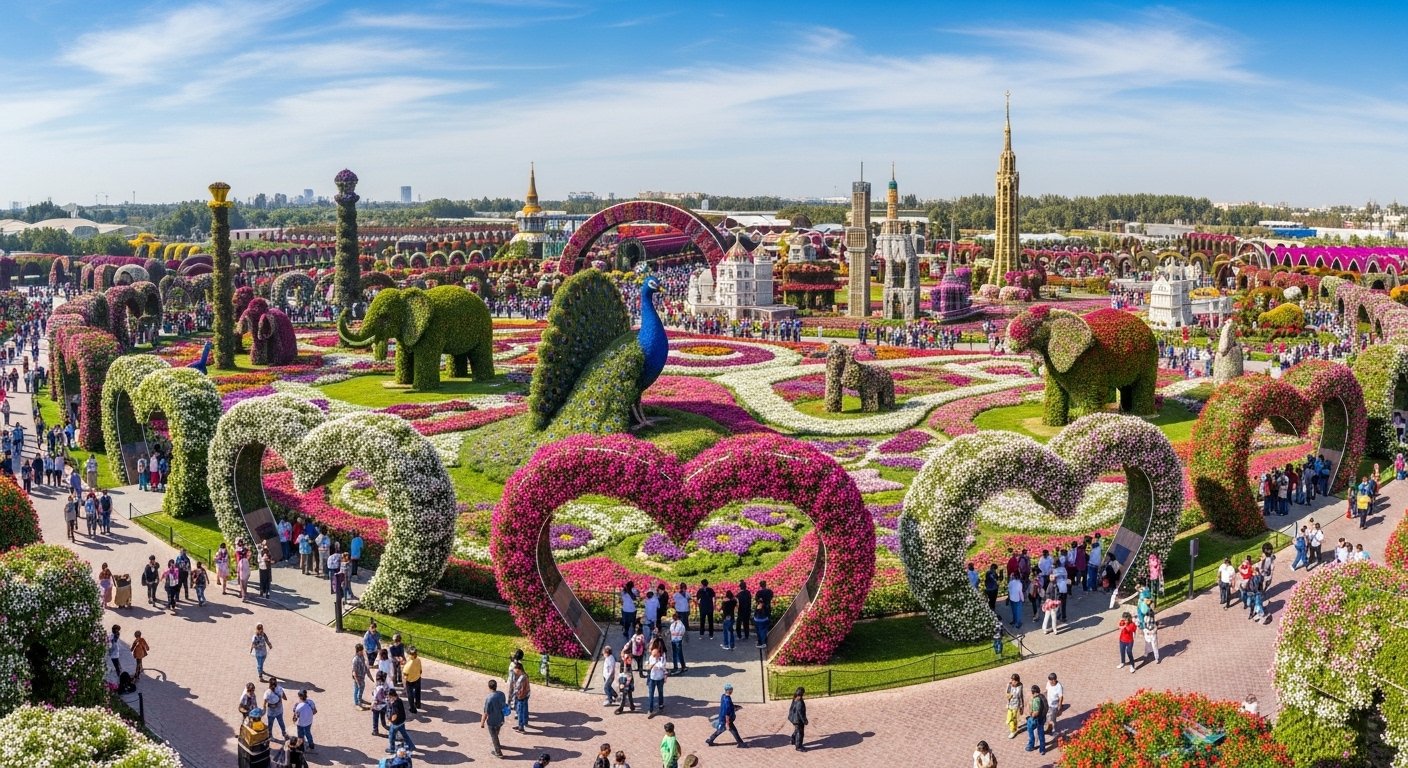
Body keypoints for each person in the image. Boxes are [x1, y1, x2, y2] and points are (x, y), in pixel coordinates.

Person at [705, 682, 744, 747]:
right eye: (731, 690)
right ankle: (741, 744)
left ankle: (710, 740)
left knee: (721, 730)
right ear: (729, 690)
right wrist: (727, 723)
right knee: (733, 730)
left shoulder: (723, 696)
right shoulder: (727, 700)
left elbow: (727, 707)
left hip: (722, 718)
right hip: (726, 719)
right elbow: (727, 712)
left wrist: (734, 707)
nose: (732, 691)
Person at [481, 679, 507, 758]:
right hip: (501, 719)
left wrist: (482, 722)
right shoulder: (501, 694)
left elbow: (486, 712)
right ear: (496, 686)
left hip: (492, 721)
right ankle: (498, 744)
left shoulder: (489, 698)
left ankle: (498, 752)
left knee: (494, 736)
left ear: (489, 687)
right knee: (496, 733)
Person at [385, 688, 415, 754]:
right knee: (404, 735)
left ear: (392, 696)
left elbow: (394, 715)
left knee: (391, 736)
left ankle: (392, 749)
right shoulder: (399, 700)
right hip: (402, 721)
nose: (388, 698)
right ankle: (411, 746)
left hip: (396, 723)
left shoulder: (395, 704)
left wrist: (390, 720)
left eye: (389, 696)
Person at [1026, 683, 1048, 755]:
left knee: (1030, 730)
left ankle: (1031, 745)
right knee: (1041, 734)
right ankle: (1042, 749)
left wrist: (1030, 710)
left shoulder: (1036, 700)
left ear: (1033, 692)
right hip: (1042, 718)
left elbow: (1035, 713)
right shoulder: (1042, 696)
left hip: (1036, 719)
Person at [510, 660, 531, 733]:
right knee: (524, 709)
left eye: (515, 670)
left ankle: (521, 727)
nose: (514, 672)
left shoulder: (522, 678)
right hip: (525, 695)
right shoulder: (524, 675)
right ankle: (524, 722)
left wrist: (516, 696)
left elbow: (520, 689)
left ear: (518, 669)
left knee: (520, 711)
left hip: (521, 697)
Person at [646, 645, 667, 716]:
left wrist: (658, 665)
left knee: (660, 692)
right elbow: (648, 667)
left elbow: (662, 666)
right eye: (653, 654)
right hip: (652, 678)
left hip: (660, 678)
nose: (653, 656)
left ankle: (661, 706)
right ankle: (650, 710)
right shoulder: (651, 658)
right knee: (651, 694)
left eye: (655, 654)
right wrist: (654, 663)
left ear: (658, 653)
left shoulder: (662, 658)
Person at [788, 687, 808, 751]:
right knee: (800, 732)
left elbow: (791, 709)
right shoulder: (800, 701)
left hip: (793, 718)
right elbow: (801, 713)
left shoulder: (795, 698)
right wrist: (804, 721)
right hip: (798, 720)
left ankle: (793, 740)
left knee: (797, 730)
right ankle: (798, 746)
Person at [1004, 673, 1024, 738]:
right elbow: (1007, 693)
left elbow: (1021, 697)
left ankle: (1013, 731)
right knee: (1009, 718)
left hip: (1016, 705)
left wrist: (1021, 707)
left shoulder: (1020, 686)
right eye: (1012, 680)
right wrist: (1008, 696)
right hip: (1010, 704)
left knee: (1013, 718)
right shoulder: (1009, 685)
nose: (1013, 682)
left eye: (1015, 681)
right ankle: (1013, 726)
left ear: (1018, 681)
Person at [404, 646, 423, 713]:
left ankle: (412, 708)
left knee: (410, 695)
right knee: (418, 692)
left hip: (410, 681)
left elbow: (405, 676)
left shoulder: (408, 665)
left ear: (410, 654)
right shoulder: (418, 660)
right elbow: (420, 671)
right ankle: (418, 704)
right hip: (418, 679)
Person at [371, 671, 390, 736]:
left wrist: (372, 705)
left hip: (377, 706)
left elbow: (376, 698)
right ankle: (384, 724)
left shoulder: (378, 687)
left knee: (375, 718)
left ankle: (375, 731)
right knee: (382, 715)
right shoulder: (386, 685)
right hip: (384, 704)